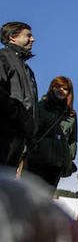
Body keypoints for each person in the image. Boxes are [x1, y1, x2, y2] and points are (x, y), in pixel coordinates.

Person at [23, 76, 78, 195]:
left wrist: (69, 159)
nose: (60, 90)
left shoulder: (71, 115)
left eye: (65, 88)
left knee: (45, 199)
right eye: (57, 87)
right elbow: (30, 130)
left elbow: (72, 141)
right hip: (37, 160)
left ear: (69, 92)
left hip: (56, 165)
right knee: (27, 196)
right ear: (51, 88)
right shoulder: (41, 107)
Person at [0, 22, 38, 168]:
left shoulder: (26, 69)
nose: (33, 39)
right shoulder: (3, 58)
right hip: (5, 134)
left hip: (19, 137)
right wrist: (16, 113)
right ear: (12, 37)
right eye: (28, 35)